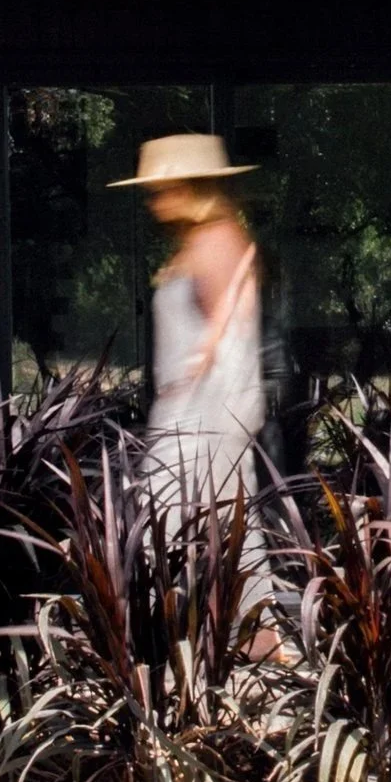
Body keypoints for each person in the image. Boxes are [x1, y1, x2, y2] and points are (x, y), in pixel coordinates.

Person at [114, 133, 266, 529]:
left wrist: (205, 423)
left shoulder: (219, 242)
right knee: (168, 535)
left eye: (163, 191)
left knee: (183, 532)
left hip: (203, 419)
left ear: (190, 189)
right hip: (184, 414)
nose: (154, 201)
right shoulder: (196, 242)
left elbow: (232, 338)